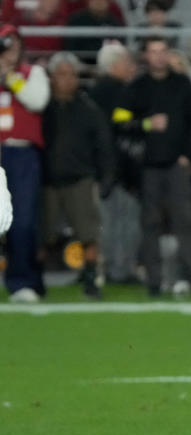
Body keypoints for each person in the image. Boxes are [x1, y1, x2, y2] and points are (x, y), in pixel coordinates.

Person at [115, 36, 191, 297]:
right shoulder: (136, 87)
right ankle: (154, 282)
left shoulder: (182, 84)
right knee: (150, 224)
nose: (159, 56)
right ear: (146, 56)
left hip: (176, 165)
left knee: (184, 222)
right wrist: (145, 124)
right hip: (149, 166)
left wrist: (188, 156)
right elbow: (119, 121)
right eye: (153, 51)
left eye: (163, 50)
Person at [41, 51, 114, 300]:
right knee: (42, 233)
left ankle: (92, 279)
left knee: (88, 233)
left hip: (80, 178)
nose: (66, 80)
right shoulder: (40, 107)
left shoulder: (88, 109)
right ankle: (35, 280)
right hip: (46, 179)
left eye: (71, 74)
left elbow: (104, 145)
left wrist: (106, 177)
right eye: (61, 74)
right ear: (51, 78)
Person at [0, 23, 50, 303]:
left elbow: (37, 100)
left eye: (12, 44)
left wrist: (11, 78)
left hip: (20, 155)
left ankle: (21, 282)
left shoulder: (33, 73)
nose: (8, 51)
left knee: (23, 221)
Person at [89, 41, 143, 286]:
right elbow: (119, 124)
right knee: (123, 221)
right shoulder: (117, 92)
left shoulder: (94, 92)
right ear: (115, 65)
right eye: (126, 63)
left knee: (112, 222)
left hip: (104, 167)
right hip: (118, 168)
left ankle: (112, 268)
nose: (131, 67)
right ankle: (120, 269)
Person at [64, 0, 126, 64]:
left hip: (109, 64)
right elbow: (70, 47)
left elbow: (121, 44)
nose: (99, 2)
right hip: (81, 64)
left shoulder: (115, 22)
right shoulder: (76, 20)